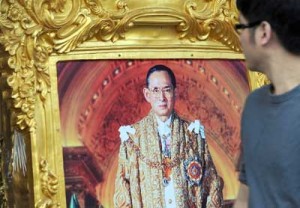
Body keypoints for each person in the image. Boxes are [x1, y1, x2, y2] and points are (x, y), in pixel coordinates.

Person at [114, 65, 223, 207]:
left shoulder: (193, 135)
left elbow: (212, 185)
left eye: (167, 90)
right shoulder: (132, 138)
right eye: (155, 90)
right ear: (147, 94)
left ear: (175, 92)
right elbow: (123, 194)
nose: (162, 97)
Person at [234, 0, 300, 207]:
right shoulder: (254, 105)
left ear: (263, 32)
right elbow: (246, 195)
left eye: (241, 27)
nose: (240, 39)